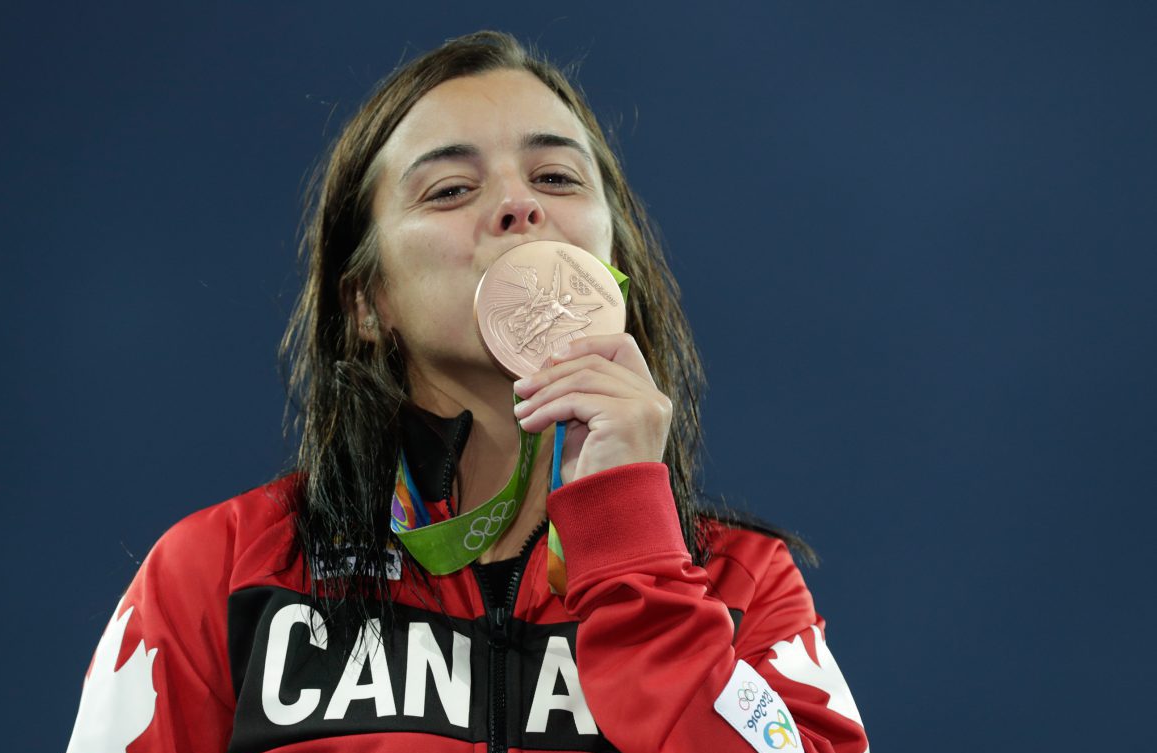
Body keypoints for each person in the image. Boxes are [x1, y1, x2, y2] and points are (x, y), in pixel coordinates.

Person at [65, 30, 870, 753]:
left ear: (612, 262)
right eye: (450, 190)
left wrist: (636, 552)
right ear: (368, 301)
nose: (520, 207)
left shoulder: (740, 585)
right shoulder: (220, 575)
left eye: (556, 177)